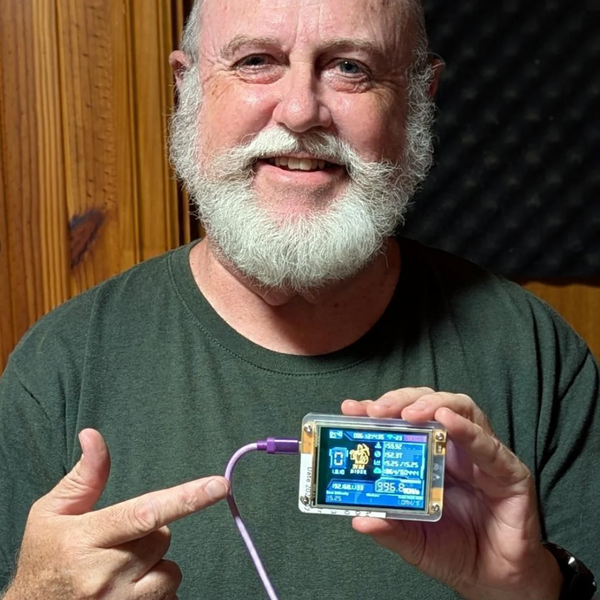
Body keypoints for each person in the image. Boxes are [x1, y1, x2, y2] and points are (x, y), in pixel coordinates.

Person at [0, 0, 598, 598]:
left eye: (350, 68)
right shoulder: (60, 368)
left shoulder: (538, 358)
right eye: (256, 61)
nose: (300, 111)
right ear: (188, 87)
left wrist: (529, 588)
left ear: (419, 95)